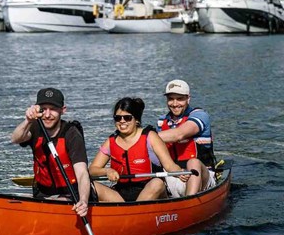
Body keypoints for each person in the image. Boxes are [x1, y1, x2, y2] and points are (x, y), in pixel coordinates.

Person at [88, 97, 189, 202]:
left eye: (127, 118)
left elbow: (169, 165)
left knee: (157, 183)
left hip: (150, 188)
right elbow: (92, 170)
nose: (122, 121)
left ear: (136, 120)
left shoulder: (150, 136)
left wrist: (180, 172)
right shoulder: (111, 141)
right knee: (89, 185)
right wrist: (107, 171)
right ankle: (128, 212)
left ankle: (132, 212)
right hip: (121, 194)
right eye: (118, 118)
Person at [11, 87, 90, 217]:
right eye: (43, 109)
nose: (47, 115)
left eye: (52, 109)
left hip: (70, 194)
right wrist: (27, 121)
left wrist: (83, 201)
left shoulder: (72, 134)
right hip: (42, 193)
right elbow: (15, 139)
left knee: (55, 201)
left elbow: (82, 173)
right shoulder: (34, 127)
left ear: (62, 110)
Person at [157, 79, 217, 197]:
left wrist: (142, 136)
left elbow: (179, 135)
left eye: (180, 99)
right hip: (173, 174)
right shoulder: (161, 121)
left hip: (201, 176)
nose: (174, 104)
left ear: (188, 99)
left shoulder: (200, 115)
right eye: (171, 99)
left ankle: (190, 201)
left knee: (193, 162)